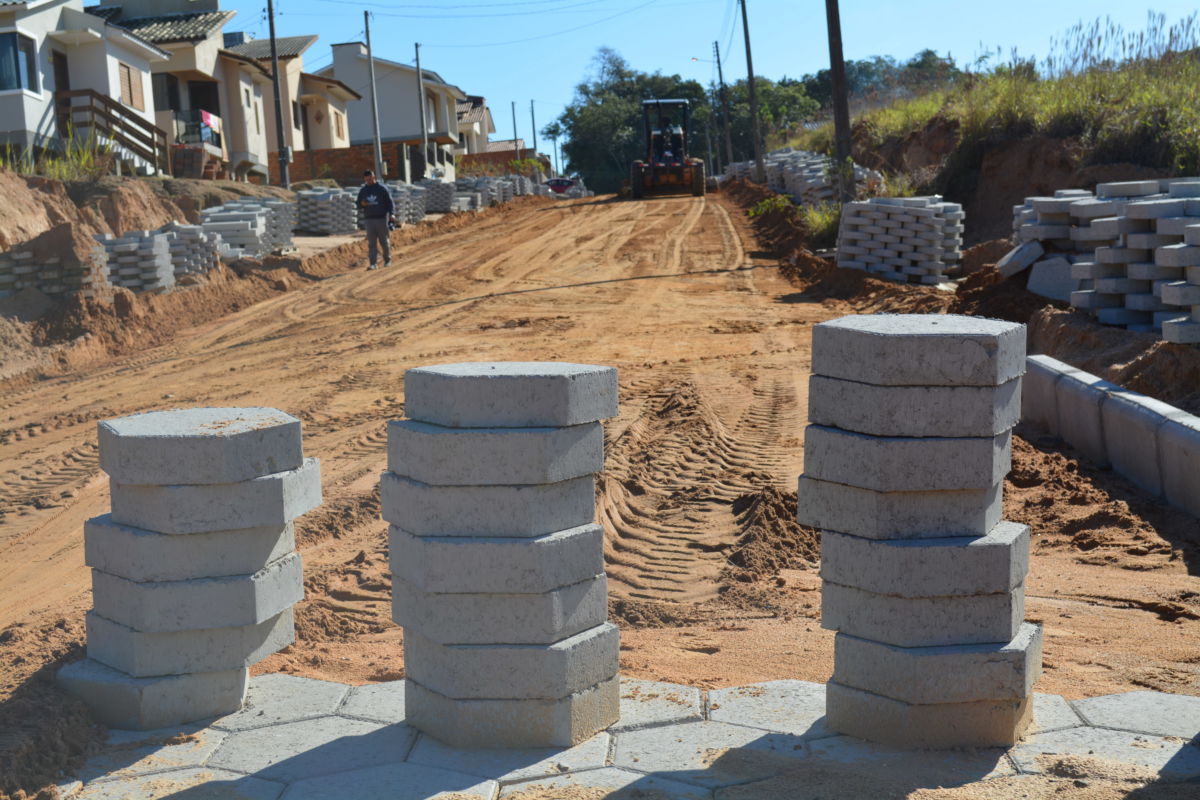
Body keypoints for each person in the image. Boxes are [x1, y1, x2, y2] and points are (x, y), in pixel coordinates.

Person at [357, 169, 395, 270]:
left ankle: (388, 260)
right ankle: (373, 264)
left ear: (374, 177)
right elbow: (358, 203)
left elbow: (389, 202)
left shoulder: (382, 189)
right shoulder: (363, 190)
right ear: (365, 179)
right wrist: (362, 204)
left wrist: (392, 214)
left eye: (370, 178)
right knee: (372, 243)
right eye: (367, 179)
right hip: (369, 219)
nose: (369, 181)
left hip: (381, 218)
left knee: (384, 241)